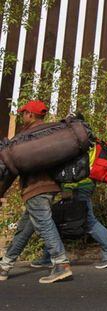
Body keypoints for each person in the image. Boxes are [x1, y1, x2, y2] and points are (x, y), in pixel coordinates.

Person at [31, 113, 107, 269]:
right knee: (57, 219)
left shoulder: (76, 142)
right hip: (84, 185)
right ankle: (49, 255)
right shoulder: (89, 140)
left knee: (87, 220)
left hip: (78, 187)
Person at [0, 100, 72, 283]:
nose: (23, 116)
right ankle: (5, 266)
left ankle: (61, 264)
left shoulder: (25, 138)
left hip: (35, 188)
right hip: (51, 187)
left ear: (31, 115)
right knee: (25, 228)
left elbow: (10, 168)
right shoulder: (49, 133)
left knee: (44, 224)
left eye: (24, 113)